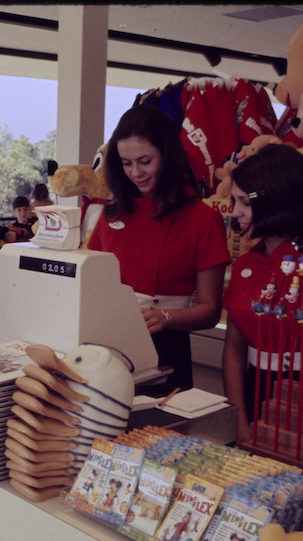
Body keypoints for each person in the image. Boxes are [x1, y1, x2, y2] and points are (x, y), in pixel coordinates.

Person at [88, 104, 231, 393]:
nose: (136, 173)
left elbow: (210, 311)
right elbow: (91, 282)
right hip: (106, 344)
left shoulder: (204, 220)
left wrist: (166, 317)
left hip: (166, 349)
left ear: (168, 156)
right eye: (126, 163)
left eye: (145, 161)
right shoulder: (111, 213)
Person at [222, 144, 303, 444]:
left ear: (276, 201)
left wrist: (288, 422)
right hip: (252, 391)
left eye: (243, 202)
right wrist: (239, 418)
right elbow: (234, 352)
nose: (234, 212)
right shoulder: (246, 264)